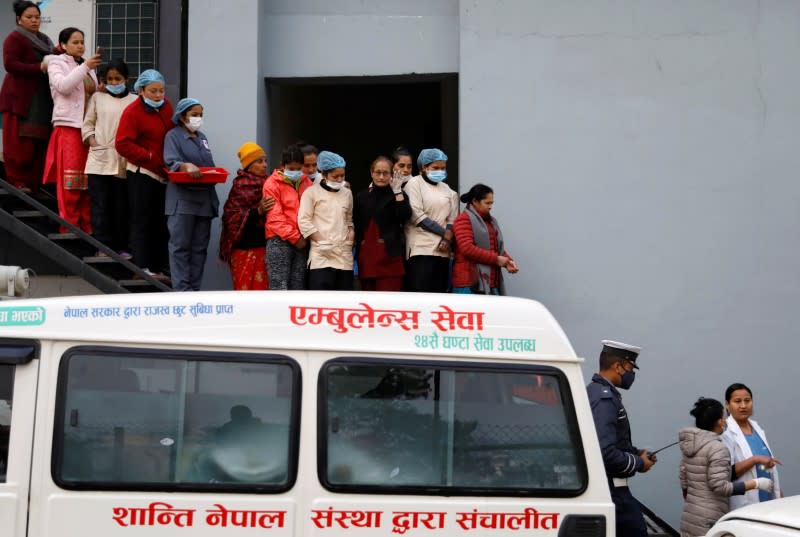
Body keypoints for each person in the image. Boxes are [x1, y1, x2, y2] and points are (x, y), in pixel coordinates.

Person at [586, 340, 656, 537]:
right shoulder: (604, 398)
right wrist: (639, 463)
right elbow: (605, 451)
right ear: (618, 366)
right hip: (612, 491)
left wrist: (636, 453)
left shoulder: (597, 392)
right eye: (630, 368)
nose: (632, 374)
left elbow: (610, 441)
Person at [679, 397, 773, 537]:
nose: (725, 421)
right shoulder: (718, 448)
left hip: (690, 516)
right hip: (709, 519)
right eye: (723, 418)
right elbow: (719, 487)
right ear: (719, 422)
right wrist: (755, 483)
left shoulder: (690, 446)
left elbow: (684, 482)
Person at [115, 69, 173, 281]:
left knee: (160, 222)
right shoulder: (132, 112)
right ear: (141, 90)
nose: (159, 95)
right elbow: (122, 143)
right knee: (142, 221)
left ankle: (158, 268)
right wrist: (148, 156)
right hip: (142, 173)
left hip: (162, 174)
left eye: (161, 91)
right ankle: (141, 268)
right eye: (153, 91)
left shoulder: (167, 108)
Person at [42, 27, 100, 233]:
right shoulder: (56, 63)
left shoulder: (87, 67)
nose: (80, 46)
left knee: (87, 181)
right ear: (63, 45)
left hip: (87, 128)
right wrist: (85, 67)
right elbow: (63, 86)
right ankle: (69, 226)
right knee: (71, 180)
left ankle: (87, 227)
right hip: (68, 126)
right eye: (75, 42)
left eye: (82, 41)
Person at [162, 98, 219, 291]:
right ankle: (182, 291)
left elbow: (209, 166)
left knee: (199, 249)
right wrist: (185, 166)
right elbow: (171, 162)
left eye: (201, 115)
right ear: (182, 115)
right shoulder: (173, 136)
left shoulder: (202, 138)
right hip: (182, 200)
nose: (198, 118)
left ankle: (194, 291)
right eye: (194, 114)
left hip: (204, 200)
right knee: (180, 247)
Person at [82, 58, 137, 258]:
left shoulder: (135, 100)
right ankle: (102, 248)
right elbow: (87, 124)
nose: (114, 83)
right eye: (110, 79)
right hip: (99, 160)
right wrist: (93, 141)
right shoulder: (97, 98)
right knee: (100, 206)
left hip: (124, 161)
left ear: (127, 79)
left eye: (118, 78)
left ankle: (122, 247)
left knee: (121, 207)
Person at [0, 1, 54, 191]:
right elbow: (10, 64)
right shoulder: (14, 38)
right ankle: (17, 181)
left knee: (37, 140)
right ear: (19, 19)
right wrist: (38, 67)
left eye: (37, 17)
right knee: (18, 142)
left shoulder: (46, 40)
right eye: (29, 17)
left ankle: (34, 183)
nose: (34, 21)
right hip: (19, 98)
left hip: (40, 99)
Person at [219, 142, 275, 290]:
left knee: (263, 294)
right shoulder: (240, 186)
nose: (264, 165)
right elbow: (231, 219)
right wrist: (258, 211)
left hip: (263, 248)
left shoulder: (271, 184)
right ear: (249, 165)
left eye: (265, 161)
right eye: (259, 161)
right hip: (243, 251)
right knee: (244, 295)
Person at [298, 150, 355, 290]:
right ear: (323, 174)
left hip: (343, 255)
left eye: (342, 176)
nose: (340, 180)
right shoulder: (311, 193)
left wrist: (351, 235)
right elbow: (304, 221)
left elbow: (349, 219)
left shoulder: (347, 194)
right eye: (335, 177)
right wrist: (321, 240)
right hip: (321, 256)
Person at [403, 148, 458, 292]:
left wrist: (446, 240)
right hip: (420, 249)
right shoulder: (414, 184)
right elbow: (417, 215)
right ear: (423, 167)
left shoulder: (448, 190)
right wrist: (444, 233)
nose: (440, 171)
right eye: (435, 168)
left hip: (442, 251)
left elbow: (452, 219)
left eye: (443, 168)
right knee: (421, 293)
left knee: (438, 294)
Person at [353, 156, 411, 291]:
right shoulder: (362, 196)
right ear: (371, 173)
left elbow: (405, 216)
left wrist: (397, 191)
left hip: (390, 256)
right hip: (367, 257)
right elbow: (355, 221)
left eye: (386, 173)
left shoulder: (398, 194)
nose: (381, 176)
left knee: (388, 302)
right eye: (377, 172)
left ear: (392, 175)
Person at [721, 383, 783, 510]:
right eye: (737, 401)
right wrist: (755, 459)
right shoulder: (725, 433)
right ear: (727, 404)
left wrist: (778, 493)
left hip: (768, 501)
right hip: (744, 503)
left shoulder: (757, 429)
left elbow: (766, 468)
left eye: (747, 401)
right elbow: (727, 473)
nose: (743, 406)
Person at [452, 183, 519, 295]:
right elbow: (467, 248)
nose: (490, 206)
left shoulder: (491, 221)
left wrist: (507, 261)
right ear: (475, 201)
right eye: (487, 203)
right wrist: (496, 259)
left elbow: (495, 247)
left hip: (490, 283)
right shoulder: (463, 219)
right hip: (468, 284)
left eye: (491, 203)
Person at [263, 144, 312, 290]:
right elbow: (275, 218)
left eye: (299, 168)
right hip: (279, 241)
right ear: (282, 165)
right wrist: (296, 238)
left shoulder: (307, 183)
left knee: (298, 287)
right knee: (280, 287)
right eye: (291, 168)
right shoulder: (271, 184)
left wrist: (303, 238)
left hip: (302, 242)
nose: (296, 172)